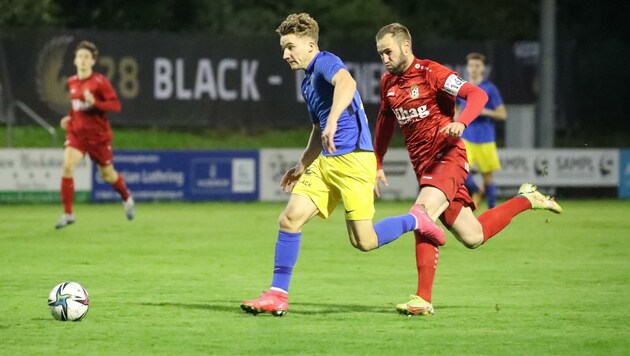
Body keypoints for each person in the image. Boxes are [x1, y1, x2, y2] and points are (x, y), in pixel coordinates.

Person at [240, 13, 444, 317]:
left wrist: (333, 121)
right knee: (289, 219)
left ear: (310, 45)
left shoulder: (324, 61)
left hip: (354, 161)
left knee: (364, 241)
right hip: (326, 162)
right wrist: (301, 165)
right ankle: (277, 295)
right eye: (283, 48)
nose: (285, 54)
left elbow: (346, 83)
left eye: (290, 46)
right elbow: (316, 128)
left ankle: (417, 220)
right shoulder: (307, 82)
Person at [373, 23, 562, 316]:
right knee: (473, 236)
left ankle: (423, 298)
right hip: (425, 169)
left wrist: (462, 123)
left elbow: (477, 95)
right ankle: (528, 199)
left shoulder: (432, 73)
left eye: (388, 51)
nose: (384, 58)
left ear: (406, 46)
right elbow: (384, 122)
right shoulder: (388, 84)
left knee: (422, 214)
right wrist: (378, 162)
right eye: (380, 53)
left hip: (448, 157)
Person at [55, 40, 135, 229]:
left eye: (86, 57)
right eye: (80, 56)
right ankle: (68, 214)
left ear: (93, 61)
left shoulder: (100, 83)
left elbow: (115, 106)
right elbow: (76, 108)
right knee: (67, 166)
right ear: (75, 60)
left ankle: (127, 197)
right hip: (77, 135)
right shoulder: (72, 82)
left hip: (99, 137)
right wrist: (69, 117)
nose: (82, 60)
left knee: (108, 175)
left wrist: (96, 103)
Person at [456, 52, 508, 209]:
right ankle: (477, 190)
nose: (474, 69)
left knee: (488, 178)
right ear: (467, 67)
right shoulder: (462, 87)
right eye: (471, 65)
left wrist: (484, 111)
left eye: (477, 66)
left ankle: (492, 210)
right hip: (466, 138)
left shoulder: (490, 89)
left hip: (486, 139)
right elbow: (457, 111)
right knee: (460, 172)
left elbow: (503, 114)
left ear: (483, 68)